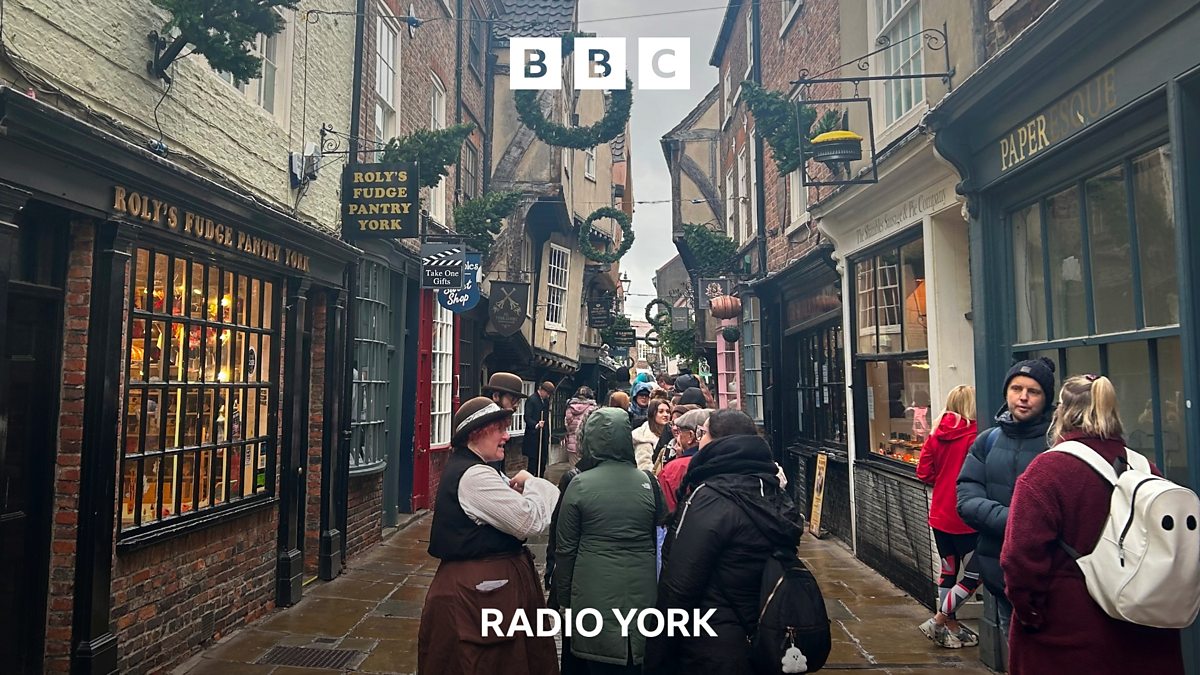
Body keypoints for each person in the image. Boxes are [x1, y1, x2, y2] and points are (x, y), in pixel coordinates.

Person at [1001, 375, 1184, 674]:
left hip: (1068, 633)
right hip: (1146, 630)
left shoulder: (1046, 471)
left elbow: (1018, 558)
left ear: (1062, 411)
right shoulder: (1144, 467)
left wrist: (1029, 614)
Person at [645, 409, 802, 675]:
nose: (698, 439)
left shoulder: (709, 497)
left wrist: (657, 655)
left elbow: (680, 585)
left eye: (703, 433)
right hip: (767, 635)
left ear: (720, 441)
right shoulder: (773, 490)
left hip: (712, 644)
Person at [417, 397, 560, 674]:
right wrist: (534, 483)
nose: (507, 436)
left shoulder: (479, 470)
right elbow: (529, 521)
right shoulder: (474, 477)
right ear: (476, 433)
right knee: (482, 663)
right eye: (500, 429)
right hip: (477, 595)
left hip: (489, 592)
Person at [555, 408, 666, 674]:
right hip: (642, 589)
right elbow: (660, 536)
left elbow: (566, 549)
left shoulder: (579, 485)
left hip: (592, 589)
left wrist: (565, 599)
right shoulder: (648, 482)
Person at [957, 357, 1056, 647]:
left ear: (1046, 397)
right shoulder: (987, 441)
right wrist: (1016, 520)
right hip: (999, 573)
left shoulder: (1058, 443)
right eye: (1016, 388)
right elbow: (966, 497)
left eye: (1033, 391)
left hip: (1049, 579)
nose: (1023, 397)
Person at [916, 385, 980, 649]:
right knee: (977, 574)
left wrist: (942, 482)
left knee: (948, 571)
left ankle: (948, 626)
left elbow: (924, 473)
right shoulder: (976, 435)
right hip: (966, 516)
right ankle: (940, 620)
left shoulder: (934, 435)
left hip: (940, 514)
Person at [656, 409, 711, 513]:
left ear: (690, 436)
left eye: (680, 432)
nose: (678, 437)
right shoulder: (724, 461)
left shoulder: (672, 469)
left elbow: (667, 509)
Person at [482, 372, 528, 472]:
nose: (516, 406)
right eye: (513, 400)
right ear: (496, 396)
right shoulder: (485, 425)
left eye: (518, 401)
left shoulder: (498, 421)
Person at [522, 381, 555, 478]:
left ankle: (540, 478)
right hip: (533, 436)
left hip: (543, 436)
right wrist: (536, 424)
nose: (548, 396)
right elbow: (527, 417)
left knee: (542, 460)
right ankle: (530, 480)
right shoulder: (532, 399)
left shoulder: (546, 401)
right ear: (542, 390)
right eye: (547, 393)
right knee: (533, 462)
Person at [563, 386, 598, 468]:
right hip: (587, 445)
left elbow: (567, 426)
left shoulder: (569, 408)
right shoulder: (593, 409)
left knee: (573, 471)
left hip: (572, 444)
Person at [633, 399, 672, 471]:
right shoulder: (644, 439)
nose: (666, 415)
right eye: (661, 412)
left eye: (668, 412)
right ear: (652, 414)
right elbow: (644, 468)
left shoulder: (670, 432)